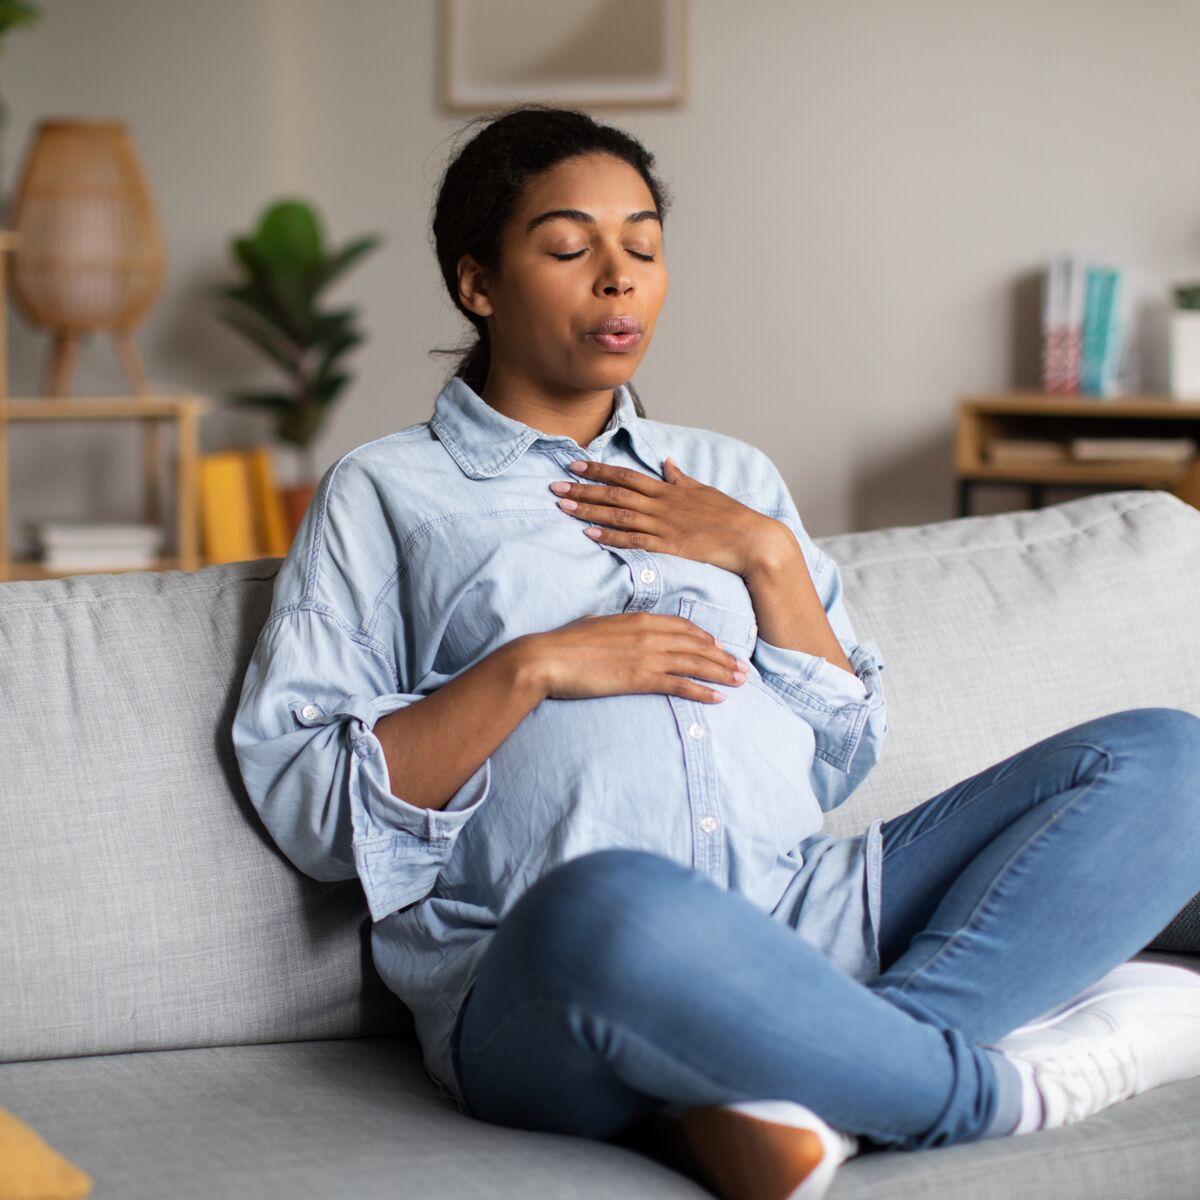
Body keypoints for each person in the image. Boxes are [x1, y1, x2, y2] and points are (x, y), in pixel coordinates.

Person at [231, 103, 1200, 1200]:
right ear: (478, 283)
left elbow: (834, 759)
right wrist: (531, 669)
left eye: (643, 247)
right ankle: (993, 1092)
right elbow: (311, 804)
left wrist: (766, 555)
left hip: (805, 912)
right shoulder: (386, 492)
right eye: (569, 247)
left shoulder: (732, 476)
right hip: (553, 964)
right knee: (615, 899)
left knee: (1171, 761)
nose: (619, 278)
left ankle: (821, 1089)